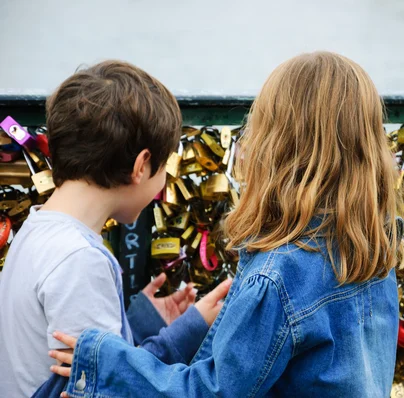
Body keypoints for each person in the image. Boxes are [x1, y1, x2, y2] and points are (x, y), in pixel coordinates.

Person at [51, 51, 404, 397]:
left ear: (275, 146)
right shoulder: (374, 249)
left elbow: (211, 391)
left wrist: (107, 362)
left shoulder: (278, 277)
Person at [0, 60, 231, 397]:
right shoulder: (79, 260)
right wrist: (190, 332)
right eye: (163, 166)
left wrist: (142, 324)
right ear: (141, 165)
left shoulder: (36, 232)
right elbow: (110, 387)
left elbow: (80, 366)